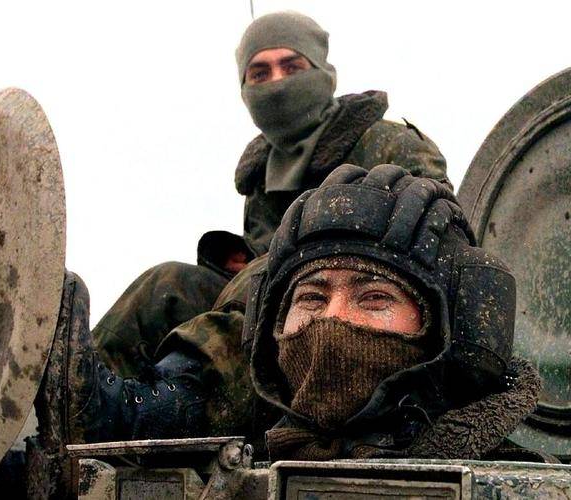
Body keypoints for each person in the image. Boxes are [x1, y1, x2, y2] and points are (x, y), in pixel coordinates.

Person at [37, 163, 543, 461]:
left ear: (444, 328)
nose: (331, 320)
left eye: (374, 298)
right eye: (312, 299)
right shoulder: (245, 455)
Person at [92, 11, 451, 379]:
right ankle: (83, 387)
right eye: (260, 74)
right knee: (167, 284)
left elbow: (439, 229)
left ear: (323, 72)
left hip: (357, 304)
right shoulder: (260, 172)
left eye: (292, 67)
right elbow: (263, 248)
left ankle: (184, 390)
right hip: (269, 301)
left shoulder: (389, 143)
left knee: (267, 273)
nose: (277, 83)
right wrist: (243, 257)